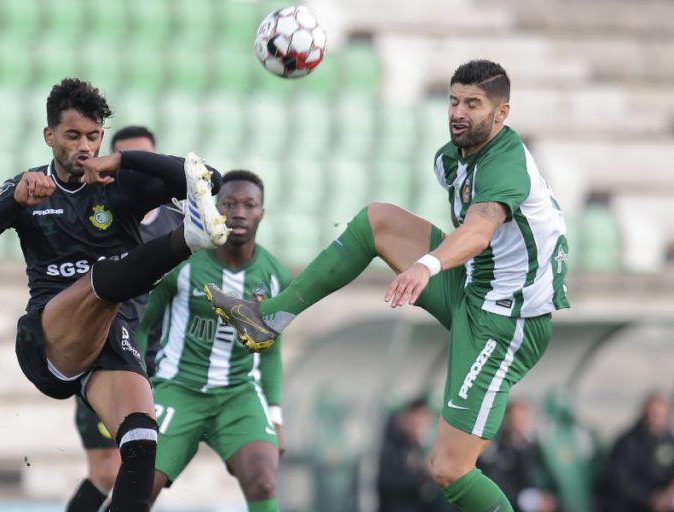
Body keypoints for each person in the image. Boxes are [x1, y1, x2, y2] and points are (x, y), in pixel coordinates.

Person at [205, 60, 570, 512]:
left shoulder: (505, 165)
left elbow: (479, 231)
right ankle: (269, 319)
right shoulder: (451, 159)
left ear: (502, 114)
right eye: (454, 101)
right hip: (476, 285)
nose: (458, 112)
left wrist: (427, 266)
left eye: (473, 104)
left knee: (449, 469)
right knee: (377, 221)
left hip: (506, 321)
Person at [0, 77, 229, 511]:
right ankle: (187, 241)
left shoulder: (122, 183)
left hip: (110, 342)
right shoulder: (30, 187)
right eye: (73, 135)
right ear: (49, 136)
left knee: (140, 440)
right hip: (47, 341)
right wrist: (14, 202)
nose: (85, 146)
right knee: (100, 279)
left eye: (94, 137)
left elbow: (212, 178)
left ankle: (188, 238)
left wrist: (125, 157)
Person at [137, 170, 291, 512]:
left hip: (238, 395)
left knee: (264, 479)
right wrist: (136, 392)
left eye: (249, 205)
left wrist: (276, 415)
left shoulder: (275, 276)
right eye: (229, 204)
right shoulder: (182, 262)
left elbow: (270, 348)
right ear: (215, 210)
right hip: (178, 389)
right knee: (137, 490)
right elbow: (141, 325)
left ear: (261, 213)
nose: (238, 212)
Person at [66, 125, 184, 511]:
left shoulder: (176, 221)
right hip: (106, 354)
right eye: (125, 160)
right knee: (105, 471)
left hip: (157, 363)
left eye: (144, 160)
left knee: (142, 469)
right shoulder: (96, 211)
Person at [477, 400, 557, 512]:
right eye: (515, 419)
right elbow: (493, 480)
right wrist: (521, 499)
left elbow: (542, 476)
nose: (519, 423)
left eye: (523, 419)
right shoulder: (495, 447)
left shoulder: (532, 447)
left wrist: (545, 497)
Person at [601, 391, 674, 512]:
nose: (657, 419)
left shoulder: (668, 440)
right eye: (654, 414)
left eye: (662, 415)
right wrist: (650, 499)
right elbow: (621, 481)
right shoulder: (627, 442)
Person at [377, 397, 451, 512]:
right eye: (416, 417)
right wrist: (420, 472)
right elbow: (387, 483)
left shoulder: (422, 447)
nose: (420, 423)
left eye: (424, 417)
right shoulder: (391, 447)